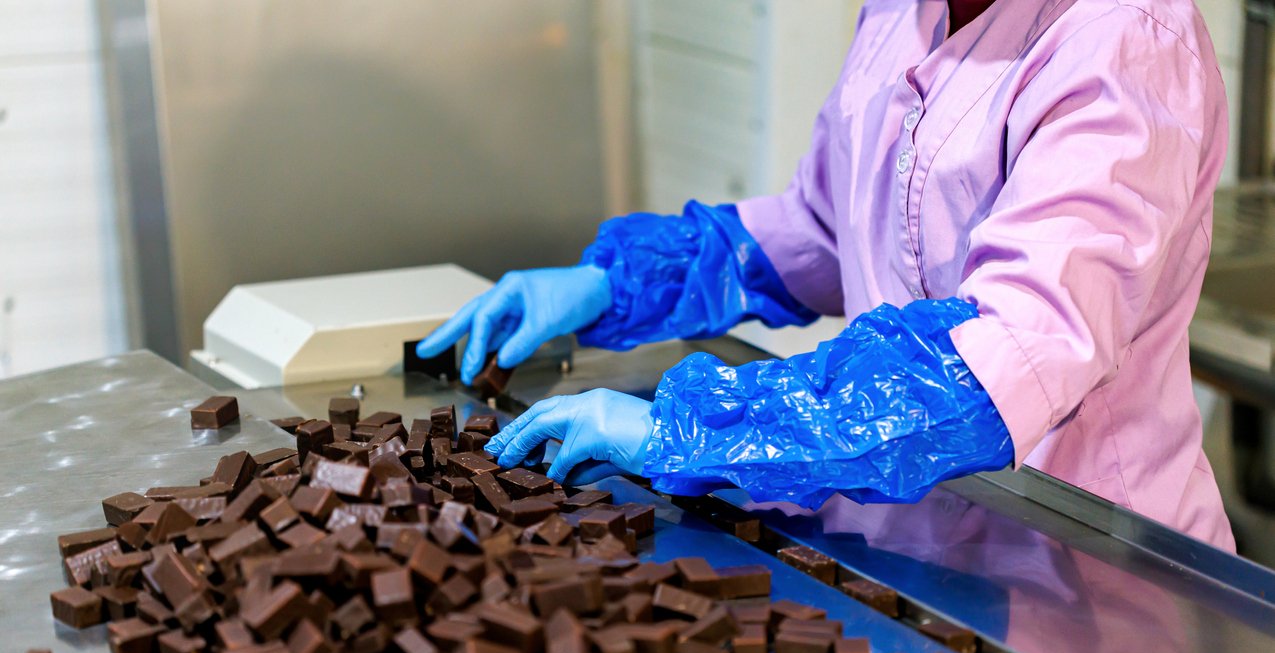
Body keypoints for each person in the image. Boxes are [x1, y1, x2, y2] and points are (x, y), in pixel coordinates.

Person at [418, 0, 1235, 550]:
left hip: (1077, 555)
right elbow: (822, 227)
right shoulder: (900, 10)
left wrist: (694, 427)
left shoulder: (1126, 41)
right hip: (908, 534)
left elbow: (1008, 358)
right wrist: (622, 282)